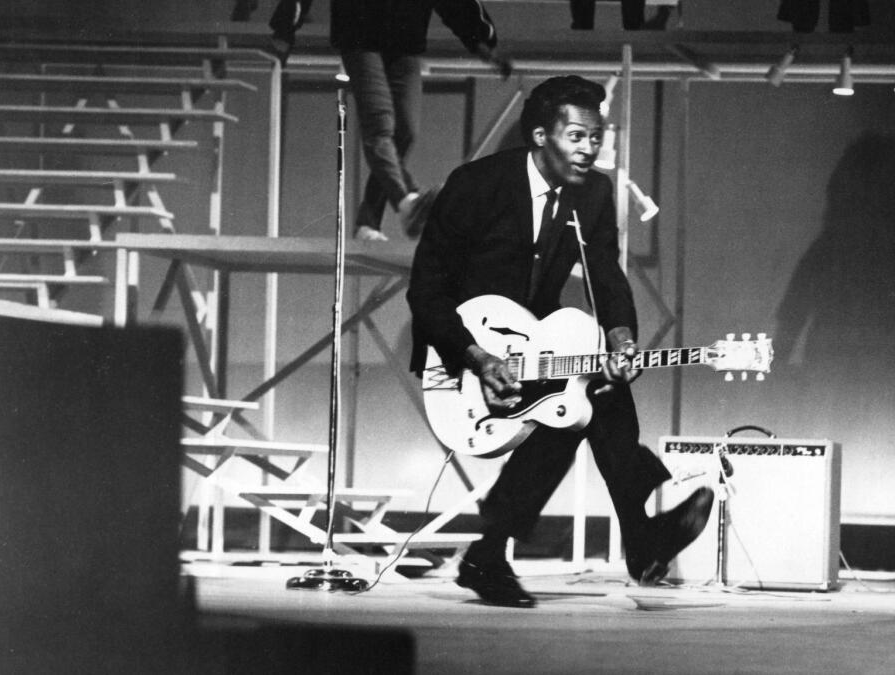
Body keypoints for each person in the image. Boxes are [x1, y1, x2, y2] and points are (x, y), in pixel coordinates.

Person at [407, 75, 712, 608]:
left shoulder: (593, 193)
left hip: (533, 342)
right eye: (577, 136)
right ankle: (633, 535)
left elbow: (607, 278)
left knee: (592, 394)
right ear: (541, 135)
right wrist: (476, 357)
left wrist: (621, 340)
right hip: (461, 360)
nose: (589, 149)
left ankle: (514, 551)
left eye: (596, 137)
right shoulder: (477, 184)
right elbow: (425, 290)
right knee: (572, 410)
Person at [269, 0, 512, 241]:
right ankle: (406, 201)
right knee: (380, 125)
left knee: (406, 129)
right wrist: (285, 29)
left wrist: (483, 40)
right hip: (359, 37)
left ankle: (369, 221)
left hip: (405, 41)